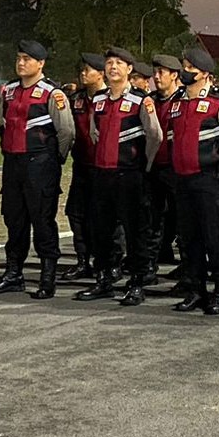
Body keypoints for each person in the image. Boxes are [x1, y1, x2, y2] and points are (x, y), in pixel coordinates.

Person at [0, 40, 73, 299]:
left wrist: (54, 159)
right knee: (14, 220)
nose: (21, 63)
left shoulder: (52, 93)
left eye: (27, 59)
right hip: (13, 164)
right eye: (19, 58)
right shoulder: (9, 91)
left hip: (41, 164)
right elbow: (2, 123)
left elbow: (66, 131)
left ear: (41, 63)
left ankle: (47, 278)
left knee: (42, 221)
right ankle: (13, 274)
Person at [79, 46, 162, 306]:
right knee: (101, 231)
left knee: (135, 231)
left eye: (119, 63)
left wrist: (141, 165)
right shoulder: (100, 100)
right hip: (102, 175)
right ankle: (104, 279)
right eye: (109, 63)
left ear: (129, 69)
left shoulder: (141, 100)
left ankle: (137, 282)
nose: (113, 67)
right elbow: (94, 134)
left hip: (130, 175)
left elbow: (155, 136)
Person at [167, 46, 219, 315]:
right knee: (189, 239)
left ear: (205, 73)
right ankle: (196, 290)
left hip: (209, 179)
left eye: (189, 67)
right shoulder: (176, 102)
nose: (184, 72)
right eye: (184, 66)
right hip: (183, 181)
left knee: (215, 238)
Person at [58, 53, 105, 282]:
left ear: (101, 73)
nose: (83, 73)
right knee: (76, 214)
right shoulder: (76, 99)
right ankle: (82, 261)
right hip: (82, 165)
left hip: (105, 167)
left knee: (103, 217)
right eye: (83, 69)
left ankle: (105, 264)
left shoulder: (109, 98)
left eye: (89, 70)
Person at [146, 54, 184, 273]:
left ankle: (186, 264)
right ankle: (150, 263)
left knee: (180, 216)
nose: (157, 77)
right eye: (156, 72)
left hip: (175, 167)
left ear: (174, 75)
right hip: (154, 166)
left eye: (162, 73)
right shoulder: (150, 100)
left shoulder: (182, 100)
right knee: (152, 217)